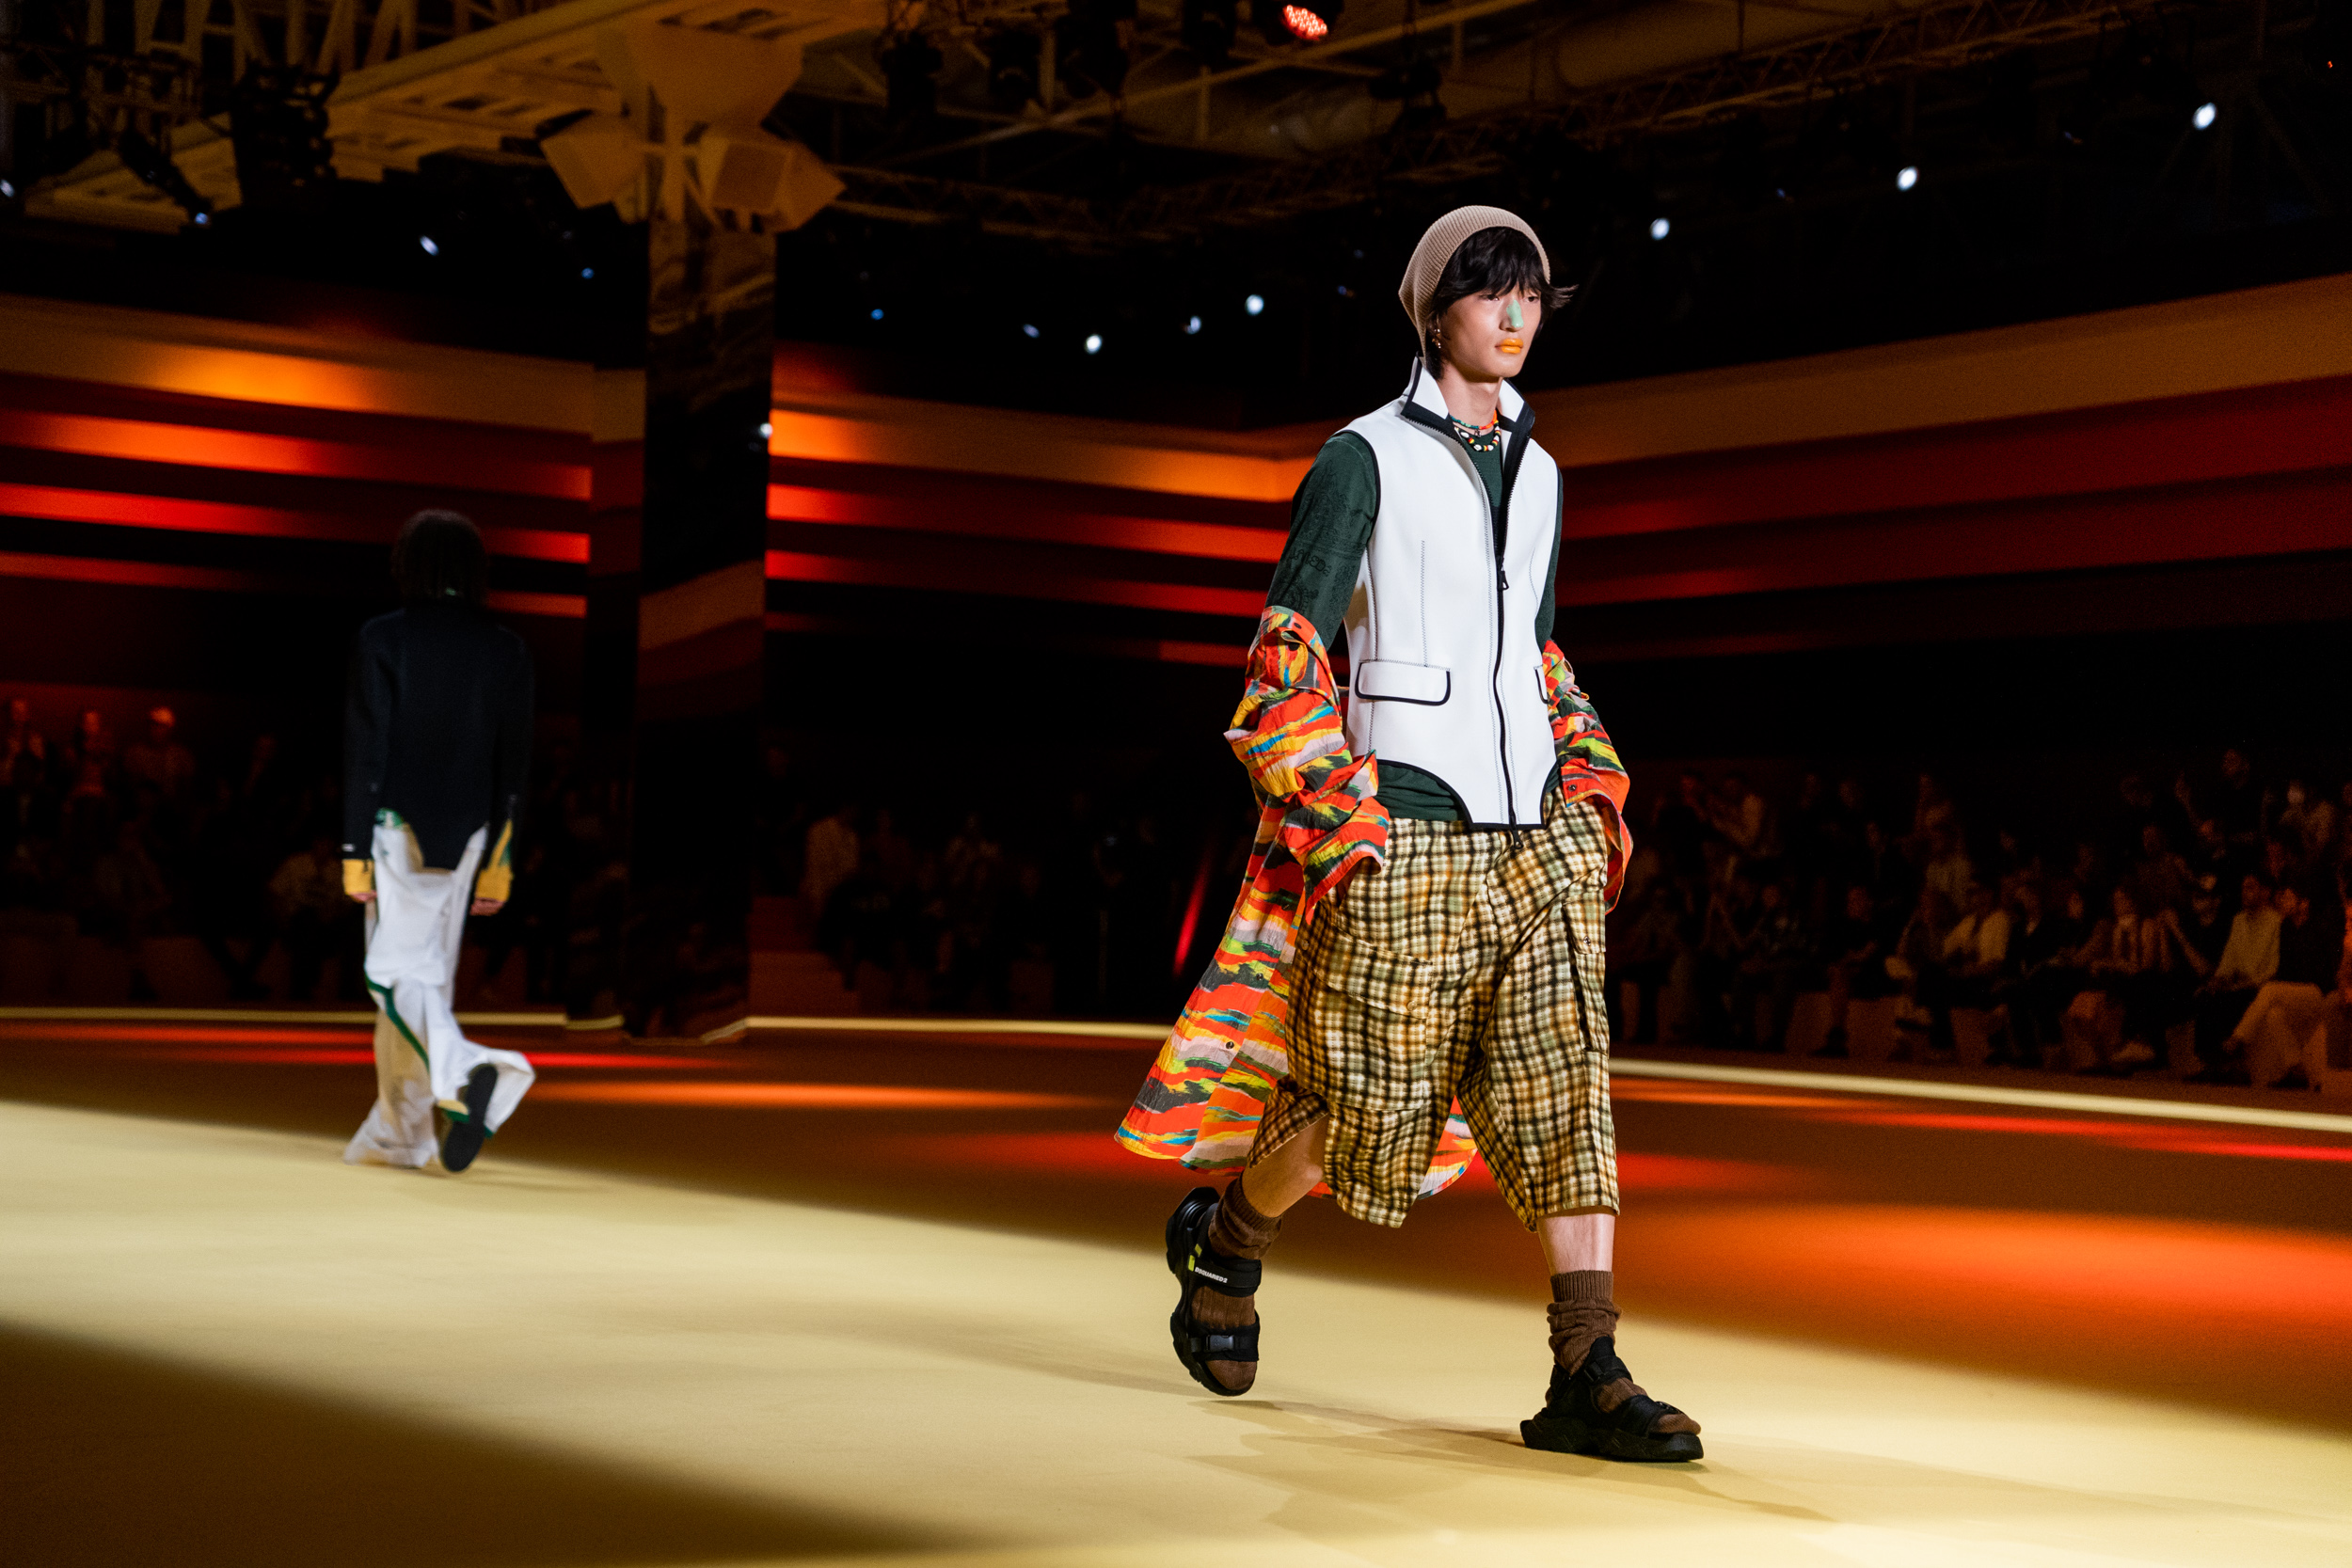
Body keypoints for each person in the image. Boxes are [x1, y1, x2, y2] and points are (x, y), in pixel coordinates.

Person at [1117, 208, 1700, 1463]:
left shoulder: (1543, 474)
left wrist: (1587, 781)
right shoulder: (1361, 457)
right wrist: (1335, 809)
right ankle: (1229, 1236)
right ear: (1435, 311)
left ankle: (1586, 1362)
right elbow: (1287, 646)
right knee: (1368, 1102)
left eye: (1531, 292)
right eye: (1489, 291)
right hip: (1403, 820)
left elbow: (1534, 649)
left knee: (1566, 1083)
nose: (1516, 314)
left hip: (1535, 828)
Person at [341, 510, 536, 1174]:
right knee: (427, 978)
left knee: (393, 972)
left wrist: (352, 849)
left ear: (409, 564)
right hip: (473, 835)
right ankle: (400, 1132)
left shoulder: (383, 637)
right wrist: (502, 859)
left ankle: (475, 1072)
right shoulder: (507, 649)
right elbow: (514, 766)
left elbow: (367, 750)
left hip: (398, 828)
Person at [2186, 872, 2280, 1083]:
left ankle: (2232, 1063)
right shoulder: (2239, 920)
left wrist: (2246, 983)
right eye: (2243, 888)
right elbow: (2229, 958)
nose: (2244, 893)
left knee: (2234, 999)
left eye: (2251, 887)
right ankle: (2209, 1062)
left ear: (2265, 892)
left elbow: (2272, 967)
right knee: (2207, 995)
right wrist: (2218, 979)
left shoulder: (2276, 922)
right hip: (2236, 982)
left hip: (2257, 984)